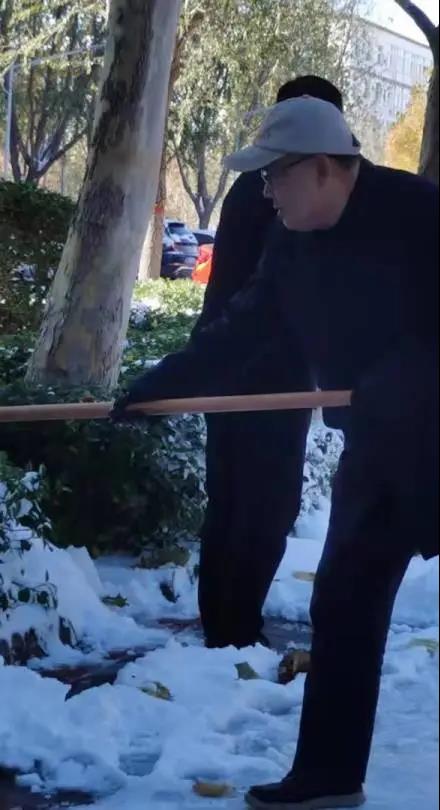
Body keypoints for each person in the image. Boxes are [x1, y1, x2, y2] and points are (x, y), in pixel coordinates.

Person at [113, 97, 438, 808]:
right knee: (344, 601)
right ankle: (328, 778)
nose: (265, 192)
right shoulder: (291, 245)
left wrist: (405, 378)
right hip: (380, 450)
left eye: (274, 176)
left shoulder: (421, 214)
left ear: (322, 169)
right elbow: (242, 330)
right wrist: (159, 387)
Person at [193, 76, 345, 649]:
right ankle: (235, 630)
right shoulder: (287, 196)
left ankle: (222, 625)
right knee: (264, 504)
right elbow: (284, 298)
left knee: (231, 499)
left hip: (226, 368)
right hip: (268, 377)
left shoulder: (248, 189)